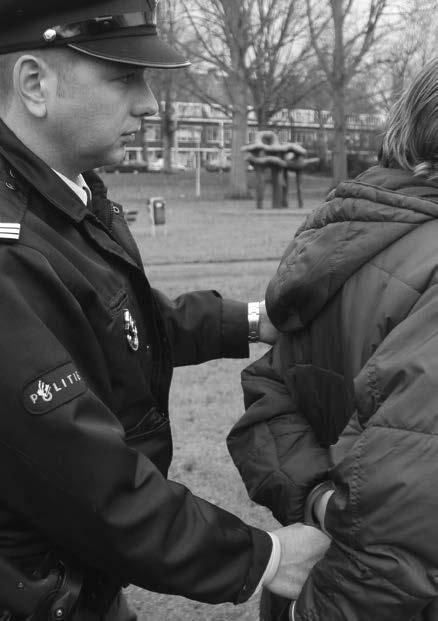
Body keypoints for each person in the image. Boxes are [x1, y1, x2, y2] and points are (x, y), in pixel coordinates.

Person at [0, 1, 331, 620]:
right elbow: (87, 482)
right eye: (125, 78)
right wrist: (264, 557)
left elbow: (113, 321)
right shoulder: (8, 247)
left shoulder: (54, 194)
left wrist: (253, 319)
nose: (150, 104)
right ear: (34, 85)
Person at [227, 57, 438, 621]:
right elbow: (400, 536)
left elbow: (270, 399)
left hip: (315, 574)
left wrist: (319, 500)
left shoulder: (356, 234)